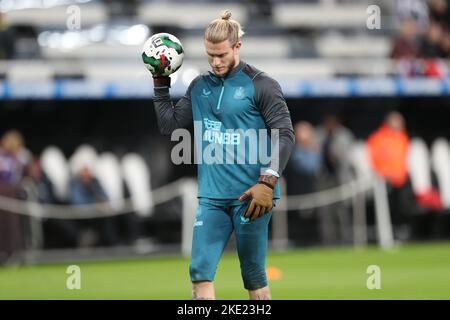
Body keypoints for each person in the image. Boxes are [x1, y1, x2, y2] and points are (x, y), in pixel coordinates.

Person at [150, 10, 294, 299]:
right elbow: (169, 124)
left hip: (253, 197)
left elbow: (285, 134)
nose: (215, 62)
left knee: (254, 279)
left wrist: (268, 181)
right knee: (199, 274)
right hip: (211, 198)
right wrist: (160, 82)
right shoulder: (199, 86)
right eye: (210, 55)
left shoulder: (262, 85)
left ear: (237, 47)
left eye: (222, 55)